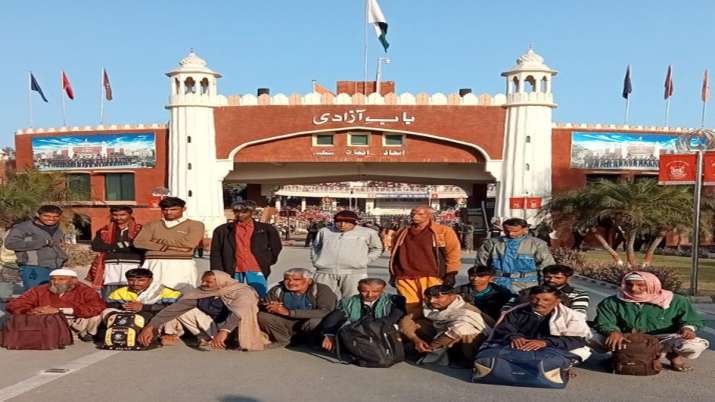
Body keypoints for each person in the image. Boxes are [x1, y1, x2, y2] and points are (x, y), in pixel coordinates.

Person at [593, 271, 709, 372]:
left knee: (695, 345)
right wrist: (612, 331)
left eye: (640, 285)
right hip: (626, 339)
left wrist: (688, 328)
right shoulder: (612, 301)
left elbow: (691, 319)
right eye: (629, 284)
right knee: (589, 336)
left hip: (663, 340)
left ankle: (673, 356)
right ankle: (619, 356)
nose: (633, 288)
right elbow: (603, 321)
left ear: (652, 285)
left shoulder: (676, 300)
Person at [138, 270, 265, 351]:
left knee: (238, 316)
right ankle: (177, 335)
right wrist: (150, 326)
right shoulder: (202, 291)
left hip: (234, 328)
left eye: (208, 282)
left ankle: (222, 340)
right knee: (182, 308)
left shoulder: (242, 291)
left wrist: (224, 332)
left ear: (220, 281)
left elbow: (239, 313)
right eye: (202, 281)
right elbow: (175, 309)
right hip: (213, 325)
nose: (204, 284)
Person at [488, 285, 591, 362]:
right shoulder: (517, 311)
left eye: (546, 300)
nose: (539, 303)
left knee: (579, 351)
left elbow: (578, 339)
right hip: (522, 345)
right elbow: (504, 328)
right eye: (535, 299)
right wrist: (514, 337)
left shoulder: (571, 316)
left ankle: (563, 366)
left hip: (552, 348)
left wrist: (545, 342)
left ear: (557, 301)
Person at [389, 206, 462, 314]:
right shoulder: (402, 232)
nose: (415, 216)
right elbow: (394, 254)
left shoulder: (443, 231)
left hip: (431, 275)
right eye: (413, 213)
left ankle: (431, 329)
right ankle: (412, 328)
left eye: (420, 214)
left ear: (429, 216)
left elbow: (453, 253)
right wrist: (392, 273)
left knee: (432, 306)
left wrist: (451, 273)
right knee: (410, 307)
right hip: (404, 276)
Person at [399, 285, 492, 366]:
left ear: (452, 297)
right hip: (440, 336)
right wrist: (416, 340)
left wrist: (430, 349)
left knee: (467, 331)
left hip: (462, 341)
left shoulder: (467, 311)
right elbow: (406, 320)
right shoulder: (429, 307)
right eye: (430, 297)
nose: (432, 301)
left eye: (437, 297)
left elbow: (453, 333)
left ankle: (466, 360)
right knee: (417, 323)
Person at [5, 269, 106, 341]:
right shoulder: (39, 290)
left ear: (73, 280)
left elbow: (97, 306)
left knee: (100, 314)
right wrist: (32, 310)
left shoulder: (85, 290)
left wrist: (60, 310)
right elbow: (15, 304)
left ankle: (88, 334)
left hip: (77, 320)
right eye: (53, 279)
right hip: (50, 323)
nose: (56, 282)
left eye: (61, 279)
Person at [210, 201, 282, 298]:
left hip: (256, 267)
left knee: (258, 295)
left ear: (252, 212)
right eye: (236, 212)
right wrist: (216, 272)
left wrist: (267, 260)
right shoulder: (223, 230)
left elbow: (276, 246)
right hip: (232, 268)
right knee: (232, 296)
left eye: (244, 212)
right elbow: (216, 252)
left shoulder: (266, 229)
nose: (239, 215)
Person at [133, 197, 205, 290]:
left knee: (181, 294)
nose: (169, 212)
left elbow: (189, 243)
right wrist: (173, 247)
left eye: (173, 209)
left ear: (184, 209)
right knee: (150, 293)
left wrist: (156, 241)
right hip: (154, 263)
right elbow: (139, 242)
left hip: (181, 263)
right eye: (165, 210)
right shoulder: (151, 225)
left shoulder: (195, 225)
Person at [311, 210, 383, 299]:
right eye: (339, 222)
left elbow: (377, 248)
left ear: (355, 222)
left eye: (347, 222)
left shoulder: (368, 232)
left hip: (354, 273)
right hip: (325, 271)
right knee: (321, 298)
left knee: (353, 299)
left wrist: (364, 261)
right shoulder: (325, 231)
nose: (342, 225)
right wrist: (316, 260)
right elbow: (315, 246)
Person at [321, 278, 406, 352]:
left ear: (383, 290)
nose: (370, 295)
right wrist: (329, 335)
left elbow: (394, 317)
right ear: (358, 289)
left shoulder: (393, 301)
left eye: (375, 291)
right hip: (359, 333)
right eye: (365, 291)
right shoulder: (348, 302)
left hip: (384, 332)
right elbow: (334, 318)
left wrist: (376, 327)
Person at [258, 268, 337, 348]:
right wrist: (271, 307)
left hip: (308, 323)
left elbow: (325, 311)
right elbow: (264, 305)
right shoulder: (277, 290)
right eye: (287, 279)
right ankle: (283, 340)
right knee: (263, 316)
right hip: (287, 323)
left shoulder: (321, 289)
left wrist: (289, 312)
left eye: (296, 279)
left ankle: (313, 342)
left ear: (308, 281)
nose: (291, 282)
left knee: (315, 321)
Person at [476, 217, 555, 292]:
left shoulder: (537, 244)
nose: (511, 234)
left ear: (525, 230)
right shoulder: (492, 243)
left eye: (515, 231)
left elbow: (547, 267)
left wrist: (544, 287)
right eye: (507, 231)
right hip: (497, 284)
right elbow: (481, 266)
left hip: (527, 286)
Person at [5, 205, 67, 291]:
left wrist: (63, 257)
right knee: (35, 296)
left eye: (55, 216)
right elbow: (10, 244)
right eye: (46, 216)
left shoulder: (58, 229)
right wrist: (42, 242)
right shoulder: (23, 227)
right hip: (33, 267)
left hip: (55, 268)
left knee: (51, 296)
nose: (51, 219)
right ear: (38, 215)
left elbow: (59, 246)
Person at [87, 206, 144, 296]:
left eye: (122, 215)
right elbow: (96, 246)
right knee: (109, 296)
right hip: (110, 267)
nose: (118, 218)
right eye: (115, 215)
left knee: (132, 295)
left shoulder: (140, 230)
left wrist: (110, 247)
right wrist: (122, 245)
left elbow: (139, 247)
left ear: (130, 215)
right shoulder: (104, 230)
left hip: (133, 265)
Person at [502, 264, 590, 317]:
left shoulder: (579, 294)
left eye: (558, 278)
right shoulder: (527, 291)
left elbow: (578, 314)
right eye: (548, 277)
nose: (551, 280)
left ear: (568, 279)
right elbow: (507, 307)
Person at [104, 268, 181, 323]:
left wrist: (143, 307)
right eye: (131, 280)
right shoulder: (120, 291)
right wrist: (123, 306)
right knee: (107, 312)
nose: (135, 283)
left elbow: (176, 307)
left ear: (150, 280)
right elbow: (108, 304)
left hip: (153, 315)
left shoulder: (164, 291)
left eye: (141, 280)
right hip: (127, 314)